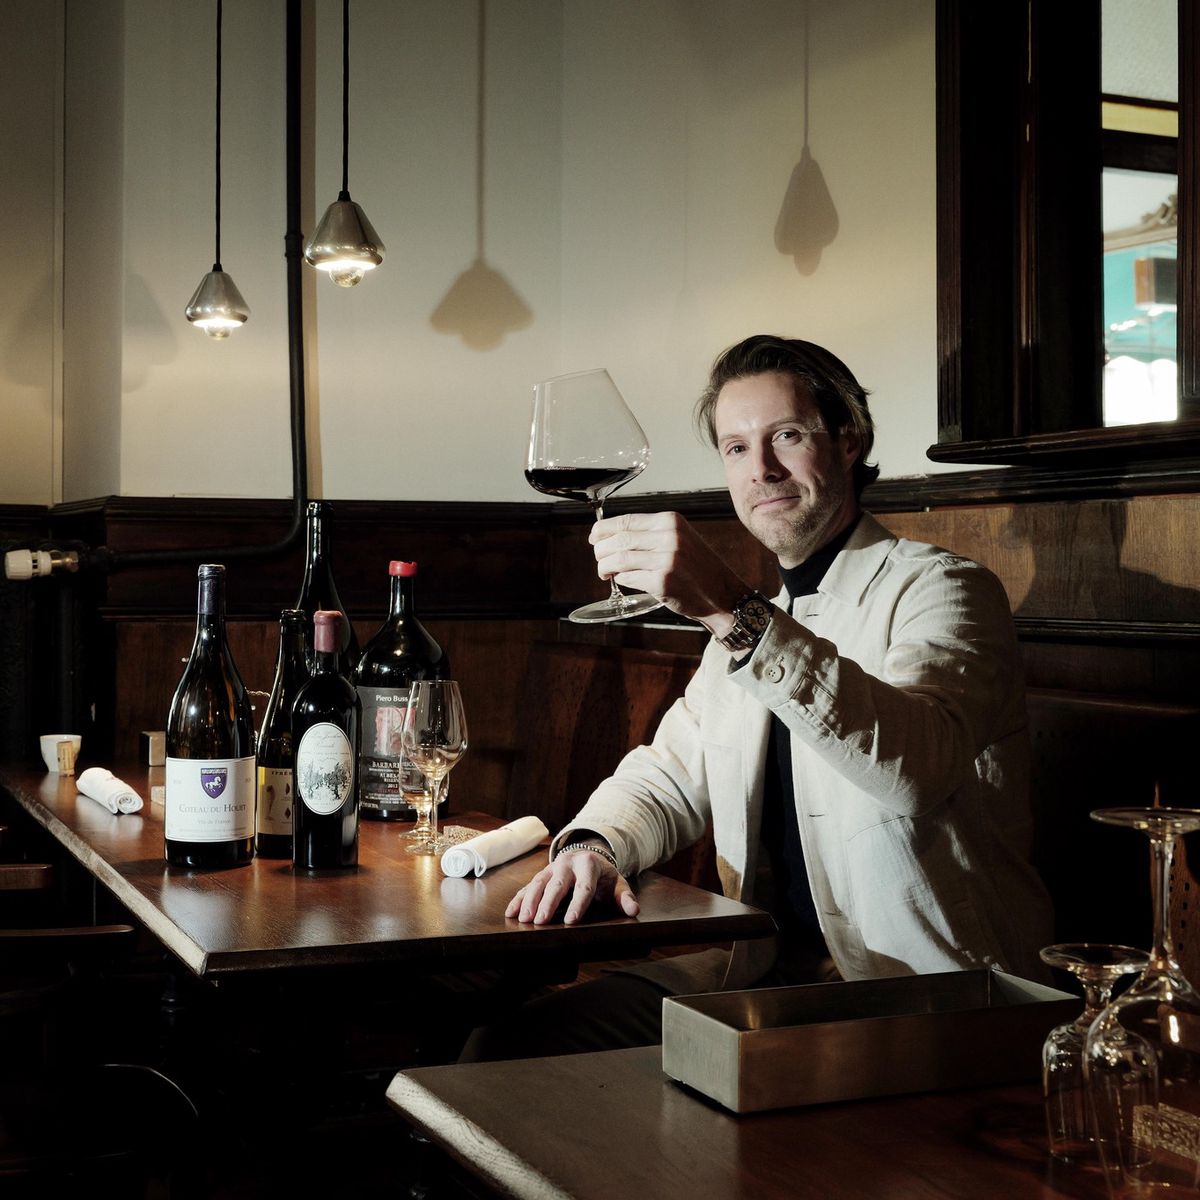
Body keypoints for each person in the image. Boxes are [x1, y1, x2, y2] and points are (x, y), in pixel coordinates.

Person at [460, 334, 1054, 1061]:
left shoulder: (946, 590)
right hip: (761, 972)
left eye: (787, 436)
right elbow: (668, 776)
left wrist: (729, 611)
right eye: (736, 448)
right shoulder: (752, 622)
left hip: (922, 996)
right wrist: (595, 846)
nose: (761, 469)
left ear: (849, 440)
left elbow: (915, 769)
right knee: (505, 1047)